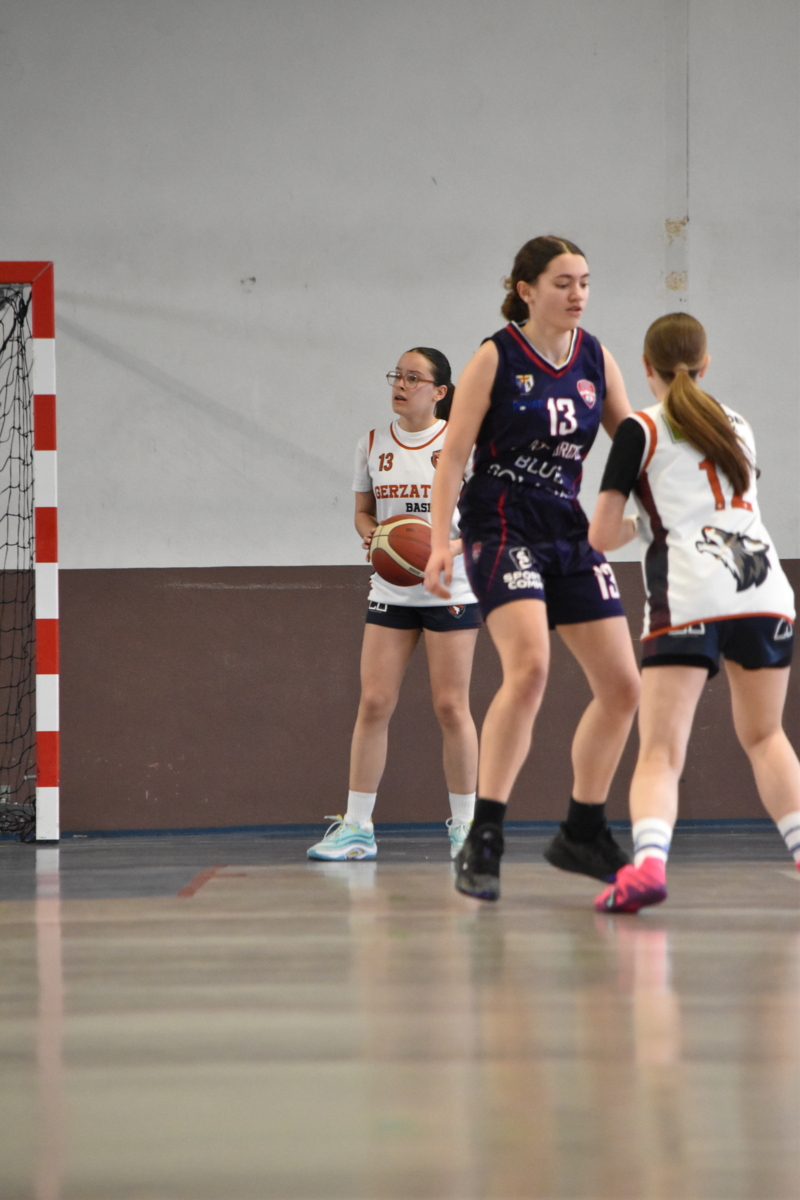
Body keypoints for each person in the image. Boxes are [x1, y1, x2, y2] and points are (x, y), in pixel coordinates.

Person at [424, 236, 641, 900]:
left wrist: (673, 504)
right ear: (526, 289)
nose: (577, 294)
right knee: (530, 669)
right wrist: (439, 539)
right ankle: (485, 835)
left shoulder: (596, 357)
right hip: (501, 523)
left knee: (623, 687)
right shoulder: (495, 356)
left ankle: (583, 829)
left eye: (585, 282)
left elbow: (635, 442)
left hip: (567, 529)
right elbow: (453, 456)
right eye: (562, 282)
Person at [589, 312, 799, 912]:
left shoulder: (639, 429)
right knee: (766, 736)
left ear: (645, 367)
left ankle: (649, 866)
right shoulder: (738, 424)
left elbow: (601, 535)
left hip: (689, 596)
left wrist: (641, 524)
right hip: (765, 592)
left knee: (660, 750)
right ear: (706, 364)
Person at [308, 348, 481, 862]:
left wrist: (440, 551)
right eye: (397, 376)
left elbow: (485, 522)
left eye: (413, 378)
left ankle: (468, 829)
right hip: (391, 591)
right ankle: (358, 827)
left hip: (450, 588)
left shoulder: (461, 443)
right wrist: (375, 538)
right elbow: (364, 512)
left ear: (440, 391)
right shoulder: (371, 443)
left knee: (451, 706)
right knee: (374, 702)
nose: (400, 384)